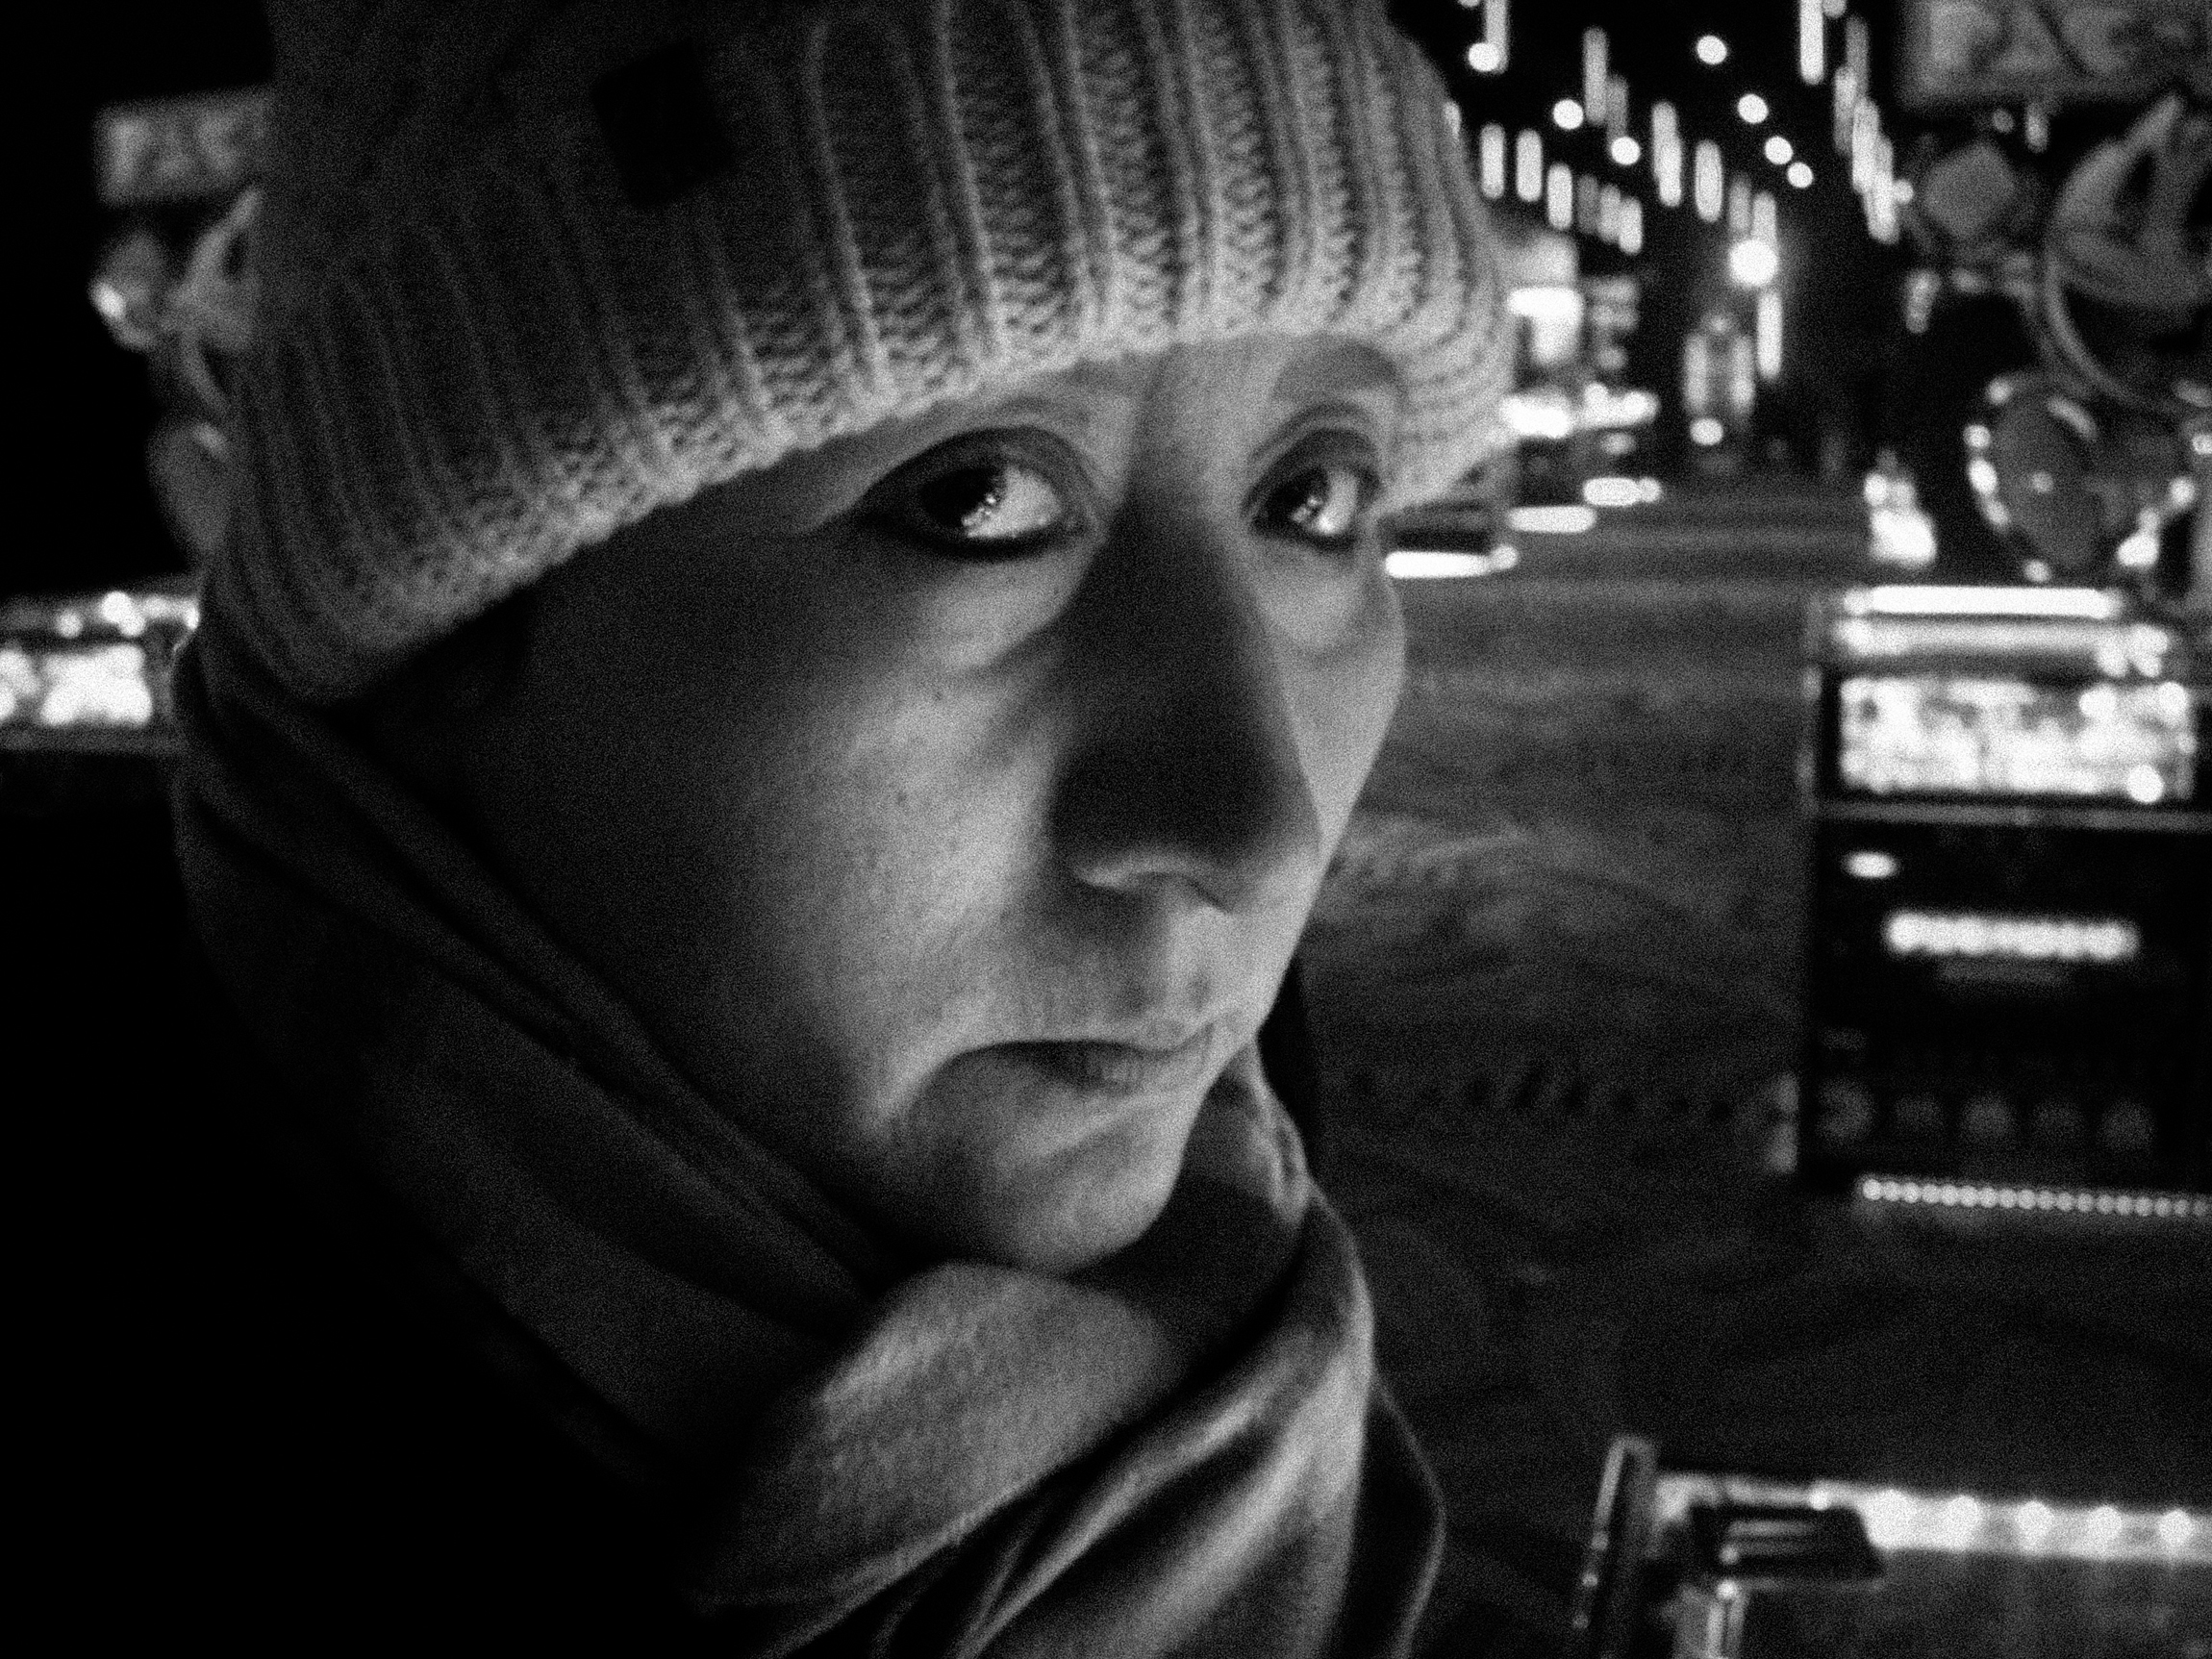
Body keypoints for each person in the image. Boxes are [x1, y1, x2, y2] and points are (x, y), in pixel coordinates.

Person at [163, 0, 1512, 1648]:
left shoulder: (1237, 1205)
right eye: (977, 502)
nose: (1256, 827)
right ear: (453, 635)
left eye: (1313, 496)